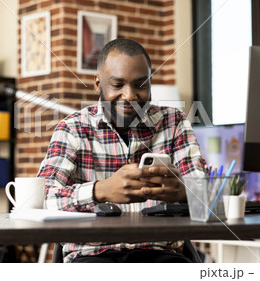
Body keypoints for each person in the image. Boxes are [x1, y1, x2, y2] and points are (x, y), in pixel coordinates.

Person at [37, 38, 206, 263]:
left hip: (161, 255)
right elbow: (41, 198)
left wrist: (185, 190)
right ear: (98, 83)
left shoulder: (173, 123)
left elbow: (208, 192)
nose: (129, 96)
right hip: (92, 256)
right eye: (117, 85)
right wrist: (101, 190)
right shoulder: (73, 128)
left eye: (140, 84)